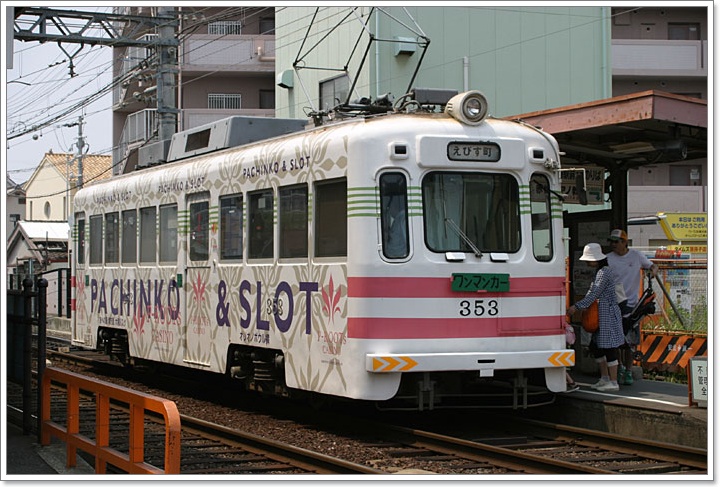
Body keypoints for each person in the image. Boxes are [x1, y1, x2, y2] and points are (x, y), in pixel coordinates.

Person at [566, 243, 625, 392]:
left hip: (606, 315)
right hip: (601, 315)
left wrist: (577, 307)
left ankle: (612, 381)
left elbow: (594, 293)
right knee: (597, 346)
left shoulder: (603, 273)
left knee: (609, 348)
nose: (587, 262)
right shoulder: (600, 271)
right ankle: (605, 378)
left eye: (588, 259)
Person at [607, 229, 658, 385]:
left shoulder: (636, 256)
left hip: (632, 305)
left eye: (616, 241)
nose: (613, 244)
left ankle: (628, 371)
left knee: (629, 342)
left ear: (624, 242)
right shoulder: (608, 259)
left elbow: (652, 265)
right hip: (613, 304)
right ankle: (620, 367)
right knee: (614, 340)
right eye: (611, 241)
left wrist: (653, 271)